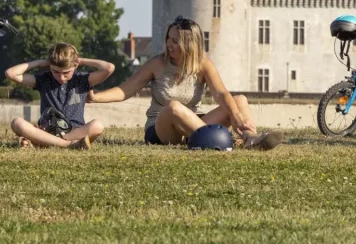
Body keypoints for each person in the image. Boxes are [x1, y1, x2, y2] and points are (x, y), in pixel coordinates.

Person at [88, 15, 283, 150]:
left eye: (175, 41)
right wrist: (96, 97)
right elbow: (125, 91)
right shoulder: (157, 63)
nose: (169, 44)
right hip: (161, 129)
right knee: (173, 107)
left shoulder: (203, 65)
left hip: (193, 125)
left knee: (238, 100)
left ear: (189, 45)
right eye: (168, 39)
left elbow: (221, 94)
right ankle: (222, 141)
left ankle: (251, 138)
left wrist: (237, 117)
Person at [5, 43, 114, 150]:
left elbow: (109, 68)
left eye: (66, 72)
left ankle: (45, 142)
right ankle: (69, 145)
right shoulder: (43, 80)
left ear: (75, 66)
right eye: (56, 71)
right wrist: (39, 63)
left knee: (97, 125)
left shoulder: (82, 80)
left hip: (75, 131)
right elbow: (11, 73)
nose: (61, 77)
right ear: (49, 66)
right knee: (17, 123)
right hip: (47, 132)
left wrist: (82, 61)